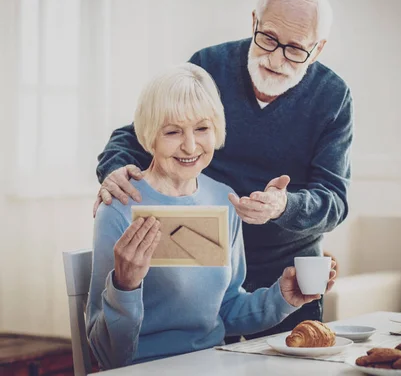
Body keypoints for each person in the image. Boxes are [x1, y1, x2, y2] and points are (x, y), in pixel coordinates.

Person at [94, 0, 352, 337]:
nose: (276, 58)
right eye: (268, 38)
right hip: (203, 262)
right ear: (254, 23)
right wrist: (115, 171)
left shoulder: (332, 97)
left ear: (318, 48)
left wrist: (283, 205)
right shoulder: (210, 66)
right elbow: (142, 131)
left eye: (295, 49)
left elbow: (335, 201)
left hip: (286, 271)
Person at [87, 63, 336, 369]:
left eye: (202, 129)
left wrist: (283, 297)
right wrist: (124, 286)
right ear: (149, 134)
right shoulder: (119, 206)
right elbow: (105, 353)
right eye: (172, 131)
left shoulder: (223, 200)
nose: (190, 145)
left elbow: (227, 310)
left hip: (212, 365)